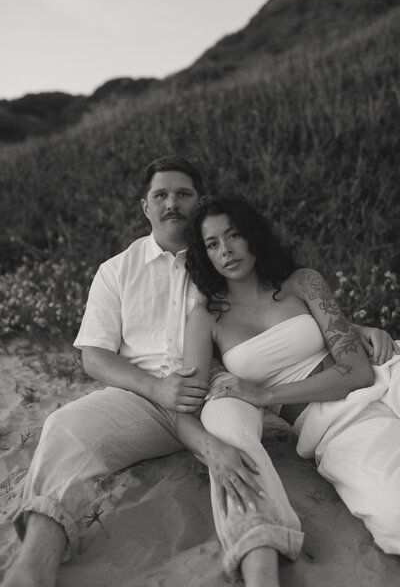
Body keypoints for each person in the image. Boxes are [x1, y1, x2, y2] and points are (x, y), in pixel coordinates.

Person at [3, 157, 397, 587]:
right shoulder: (117, 271)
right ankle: (36, 559)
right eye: (161, 195)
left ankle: (258, 554)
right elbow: (94, 357)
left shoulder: (221, 261)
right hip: (145, 396)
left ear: (200, 201)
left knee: (229, 428)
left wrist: (348, 328)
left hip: (218, 388)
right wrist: (158, 389)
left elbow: (279, 300)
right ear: (145, 206)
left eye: (183, 194)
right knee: (63, 425)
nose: (172, 203)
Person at [177, 194, 400, 585]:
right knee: (393, 515)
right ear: (204, 254)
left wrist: (264, 396)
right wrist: (212, 448)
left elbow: (358, 371)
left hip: (388, 377)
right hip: (334, 426)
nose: (226, 250)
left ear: (253, 236)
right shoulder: (205, 318)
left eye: (234, 235)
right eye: (212, 244)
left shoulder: (303, 281)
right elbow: (185, 403)